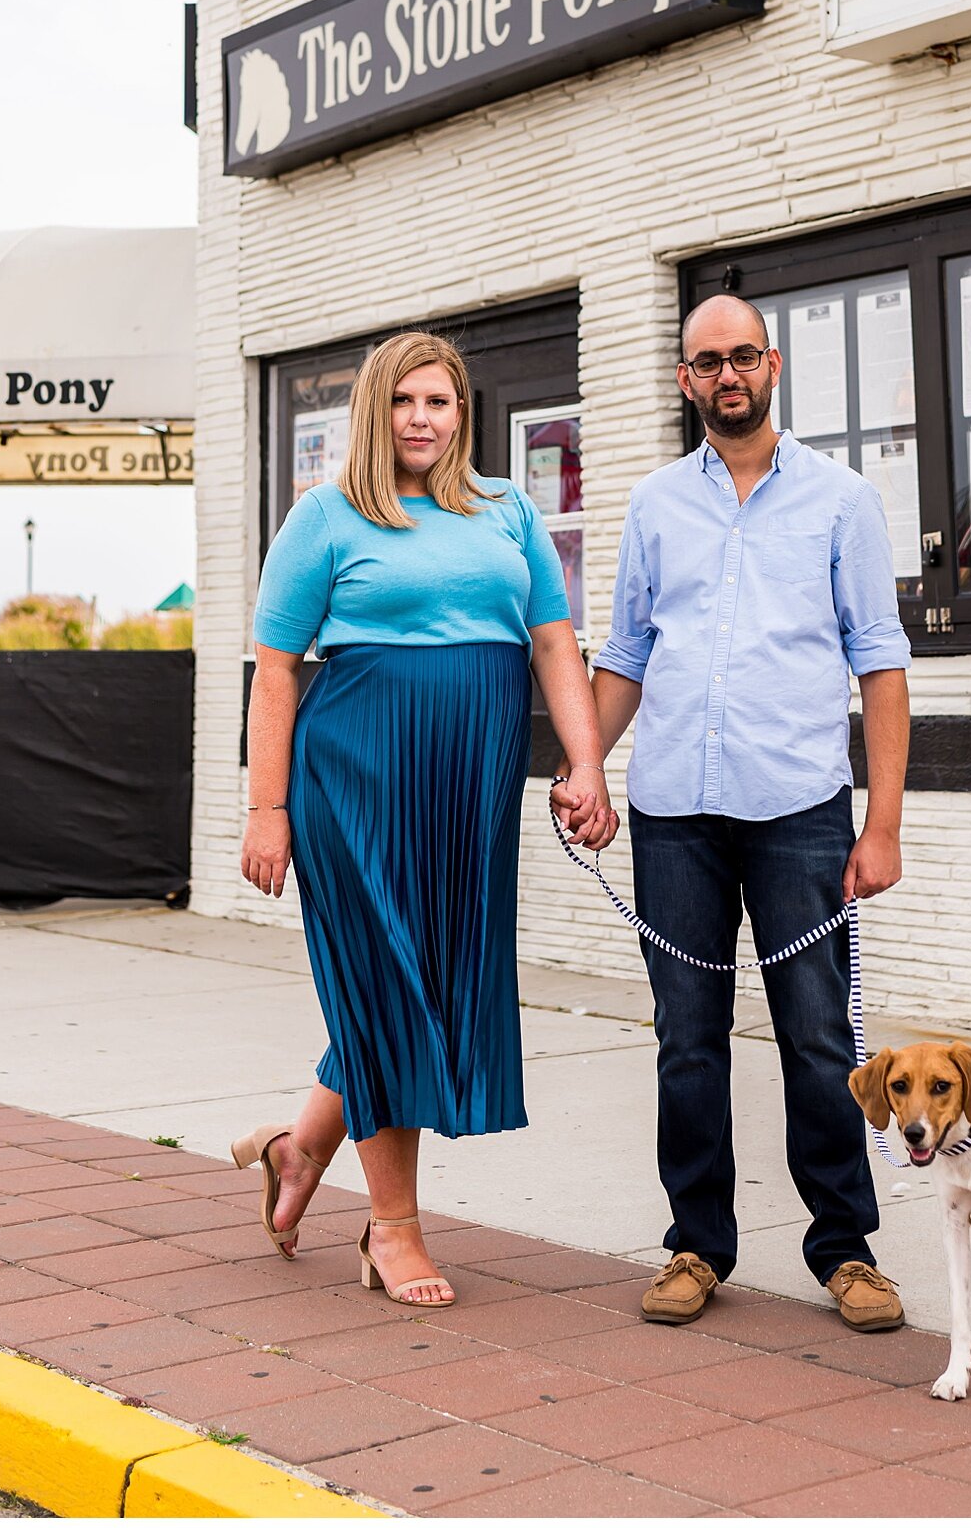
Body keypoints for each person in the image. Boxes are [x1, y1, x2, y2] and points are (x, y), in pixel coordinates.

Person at [235, 330, 614, 1307]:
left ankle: (300, 1145)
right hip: (352, 775)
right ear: (374, 409)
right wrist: (265, 809)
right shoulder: (324, 515)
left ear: (462, 413)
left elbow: (555, 643)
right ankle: (392, 1228)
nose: (421, 418)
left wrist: (586, 764)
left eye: (439, 402)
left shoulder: (507, 509)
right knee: (389, 979)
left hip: (469, 783)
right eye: (403, 400)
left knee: (429, 976)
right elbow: (276, 670)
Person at [592, 293, 911, 1330]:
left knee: (820, 1036)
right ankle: (697, 1243)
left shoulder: (841, 499)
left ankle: (845, 1247)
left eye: (742, 356)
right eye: (706, 362)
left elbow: (881, 661)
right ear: (685, 380)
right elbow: (629, 652)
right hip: (672, 808)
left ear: (770, 365)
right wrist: (584, 763)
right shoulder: (652, 505)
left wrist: (885, 824)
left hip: (801, 808)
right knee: (687, 1038)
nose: (726, 375)